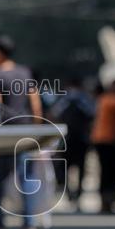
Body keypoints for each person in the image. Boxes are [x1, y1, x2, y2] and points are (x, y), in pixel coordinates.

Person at [0, 36, 44, 229]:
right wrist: (36, 132)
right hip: (25, 133)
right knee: (26, 181)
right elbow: (35, 104)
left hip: (4, 135)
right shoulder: (25, 73)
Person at [49, 78, 94, 209]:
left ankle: (68, 192)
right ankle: (78, 193)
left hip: (66, 138)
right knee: (81, 166)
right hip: (81, 139)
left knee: (64, 166)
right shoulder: (84, 98)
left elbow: (54, 113)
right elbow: (92, 113)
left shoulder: (64, 99)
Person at [91, 80, 115, 214]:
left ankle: (105, 201)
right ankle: (109, 199)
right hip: (110, 140)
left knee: (105, 171)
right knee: (113, 171)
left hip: (99, 140)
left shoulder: (103, 99)